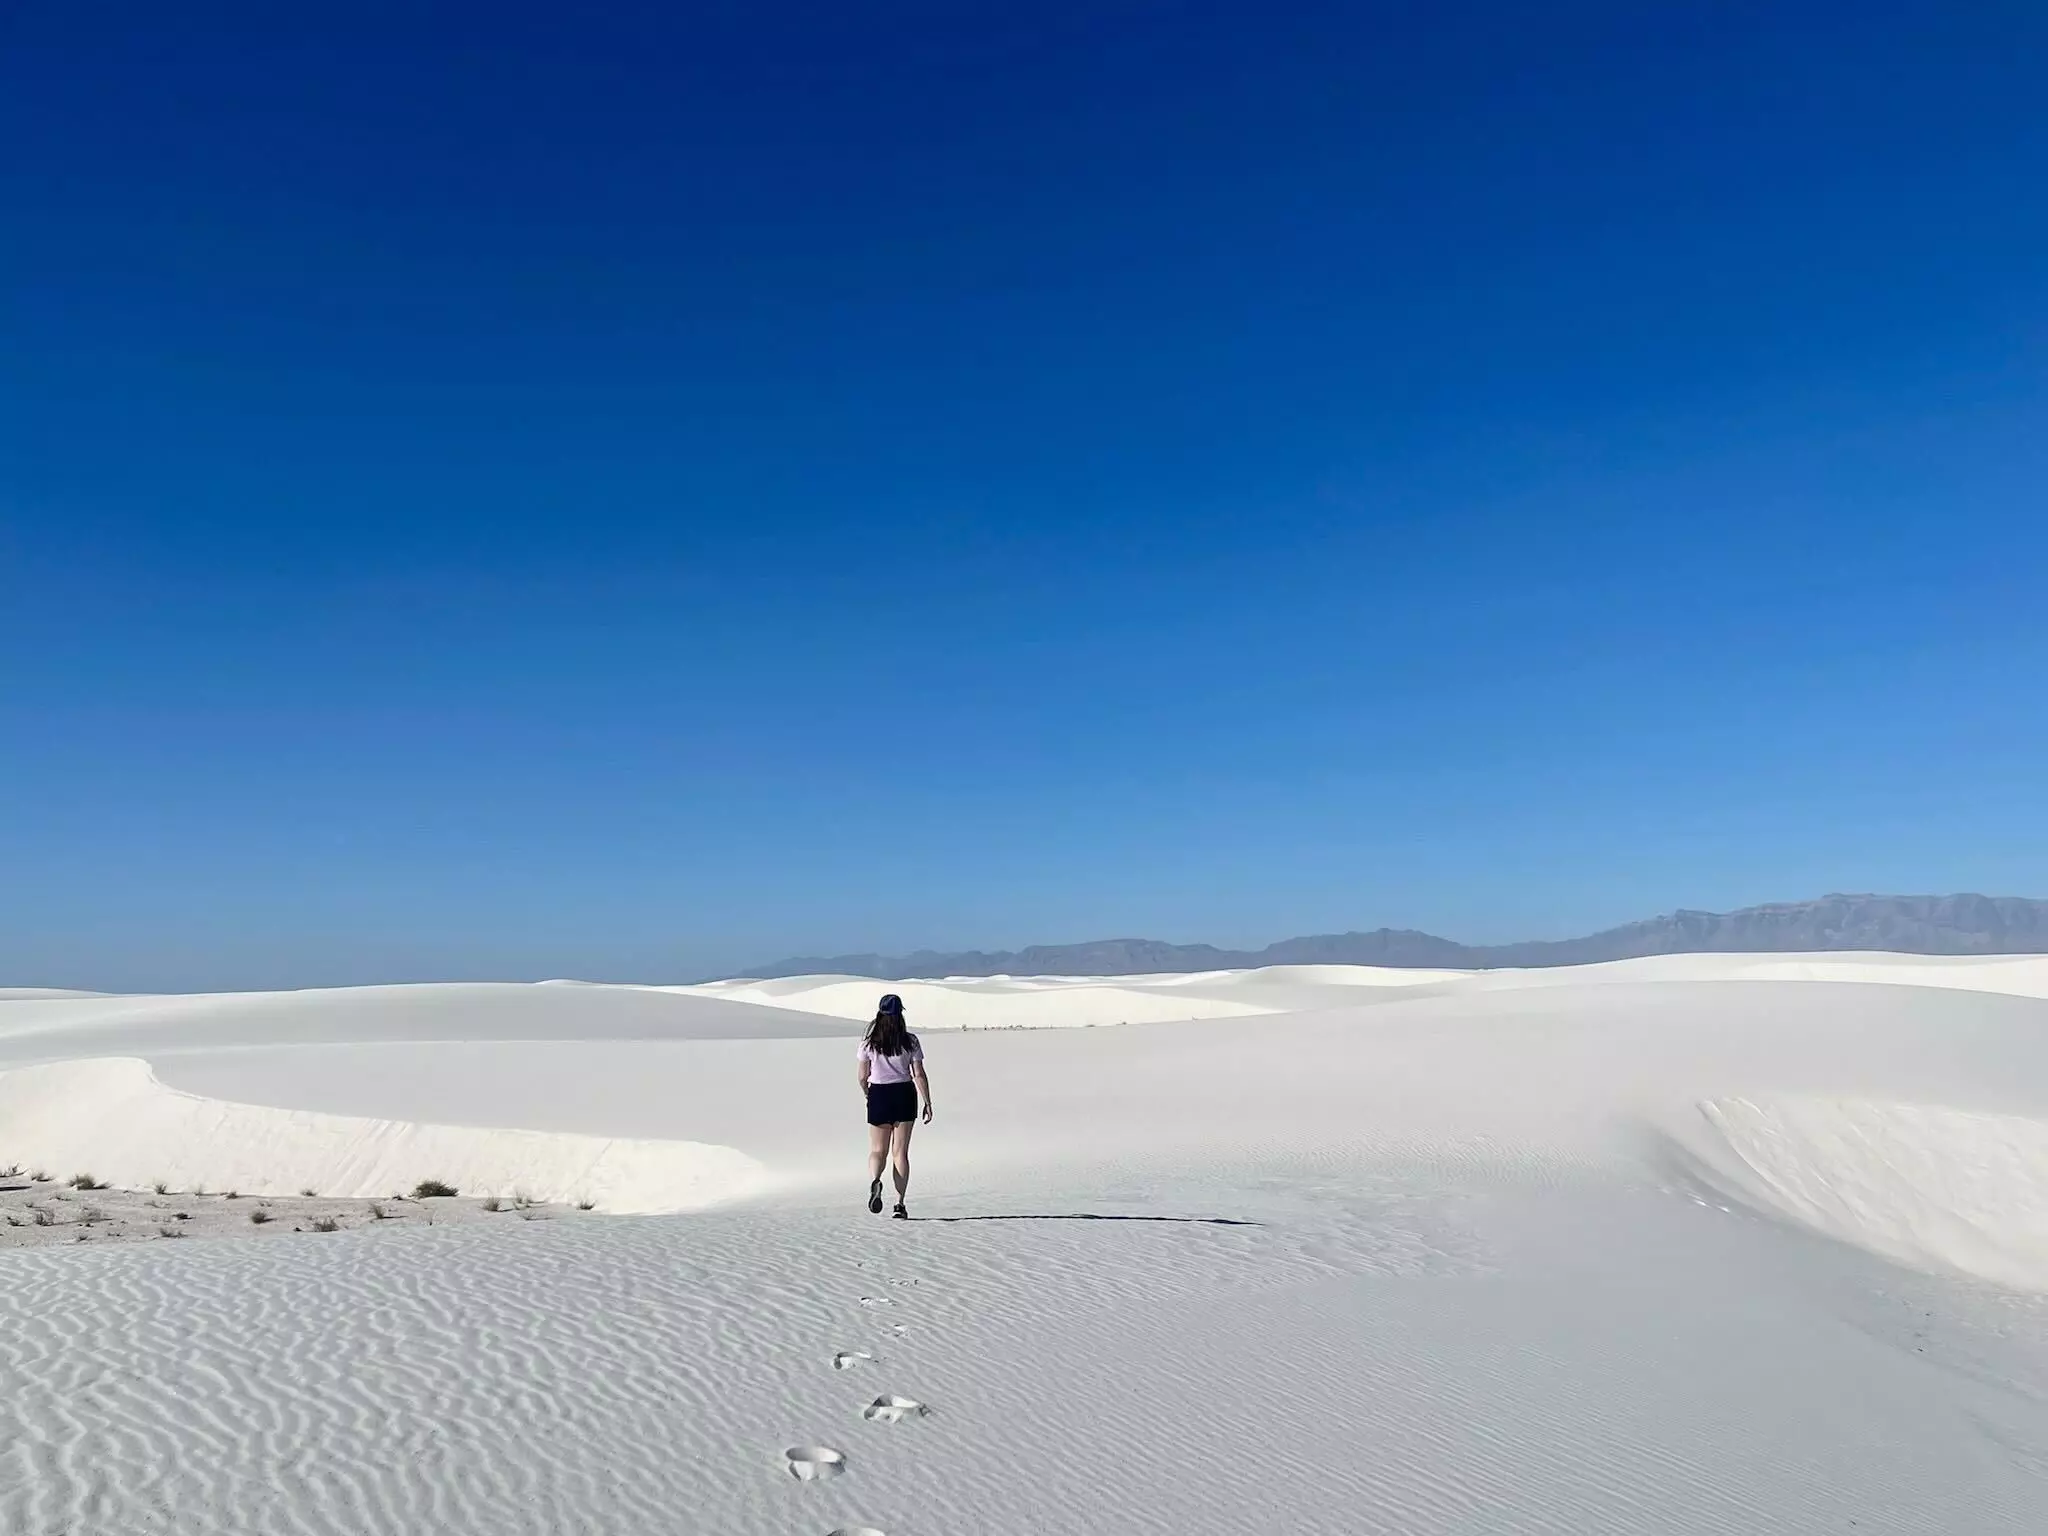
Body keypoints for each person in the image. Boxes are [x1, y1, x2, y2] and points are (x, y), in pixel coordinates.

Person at [858, 993, 932, 1218]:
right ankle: (899, 1203)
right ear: (900, 1015)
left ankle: (875, 1180)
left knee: (877, 1150)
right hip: (904, 1093)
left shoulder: (868, 1044)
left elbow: (862, 1076)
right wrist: (927, 1101)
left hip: (879, 1093)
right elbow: (918, 1074)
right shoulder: (911, 1041)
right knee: (900, 1153)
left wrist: (868, 1095)